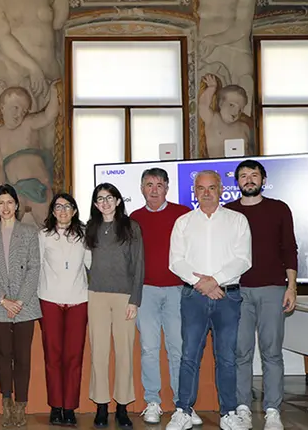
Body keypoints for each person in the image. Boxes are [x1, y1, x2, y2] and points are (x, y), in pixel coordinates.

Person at [166, 170, 252, 430]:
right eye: (201, 188)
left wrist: (215, 280)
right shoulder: (183, 222)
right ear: (195, 191)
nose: (206, 193)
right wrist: (201, 284)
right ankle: (183, 410)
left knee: (226, 357)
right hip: (194, 296)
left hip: (228, 296)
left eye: (211, 188)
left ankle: (228, 412)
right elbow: (176, 261)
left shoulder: (238, 221)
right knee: (189, 355)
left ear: (221, 189)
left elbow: (243, 259)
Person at [226, 160, 298, 430]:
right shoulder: (228, 212)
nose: (248, 180)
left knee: (271, 353)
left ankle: (272, 410)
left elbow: (290, 248)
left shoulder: (279, 209)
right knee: (241, 353)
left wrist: (291, 287)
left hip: (273, 290)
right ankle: (242, 408)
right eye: (243, 176)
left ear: (263, 179)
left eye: (253, 175)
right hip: (237, 291)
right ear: (237, 183)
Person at [129, 169, 195, 425]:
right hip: (145, 292)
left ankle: (183, 405)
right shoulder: (134, 218)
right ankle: (153, 401)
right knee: (148, 349)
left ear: (167, 188)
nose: (154, 190)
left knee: (178, 349)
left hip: (177, 291)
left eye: (159, 185)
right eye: (149, 185)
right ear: (141, 188)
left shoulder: (182, 214)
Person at [0, 184, 41, 427]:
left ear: (16, 205)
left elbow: (34, 268)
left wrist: (20, 301)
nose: (5, 207)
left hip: (25, 306)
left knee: (23, 357)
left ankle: (21, 407)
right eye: (0, 203)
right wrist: (3, 300)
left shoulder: (29, 232)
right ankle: (6, 403)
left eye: (9, 202)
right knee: (3, 356)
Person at [85, 183, 144, 429]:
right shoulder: (90, 228)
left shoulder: (131, 228)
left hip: (124, 298)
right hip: (96, 296)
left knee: (124, 353)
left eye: (110, 198)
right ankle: (101, 406)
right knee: (98, 353)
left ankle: (121, 407)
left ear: (118, 201)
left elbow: (139, 265)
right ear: (96, 204)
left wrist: (135, 300)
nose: (105, 202)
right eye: (100, 199)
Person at [38, 193, 88, 427]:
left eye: (67, 207)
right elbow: (36, 266)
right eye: (58, 207)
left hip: (78, 300)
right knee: (53, 357)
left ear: (75, 211)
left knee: (74, 358)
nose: (63, 211)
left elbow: (91, 266)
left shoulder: (85, 235)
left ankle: (69, 407)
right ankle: (55, 406)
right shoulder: (43, 235)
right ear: (52, 211)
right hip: (50, 301)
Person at [0, 82, 61, 225]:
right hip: (15, 188)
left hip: (38, 184)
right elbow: (0, 164)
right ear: (2, 107)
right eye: (16, 108)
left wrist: (54, 92)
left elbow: (49, 115)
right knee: (9, 226)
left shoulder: (28, 123)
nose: (19, 114)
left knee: (46, 226)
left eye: (24, 111)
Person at [199, 74, 251, 157]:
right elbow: (203, 105)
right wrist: (212, 88)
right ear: (221, 103)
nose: (236, 111)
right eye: (231, 105)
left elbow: (249, 151)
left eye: (240, 109)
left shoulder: (244, 127)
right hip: (217, 167)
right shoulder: (212, 119)